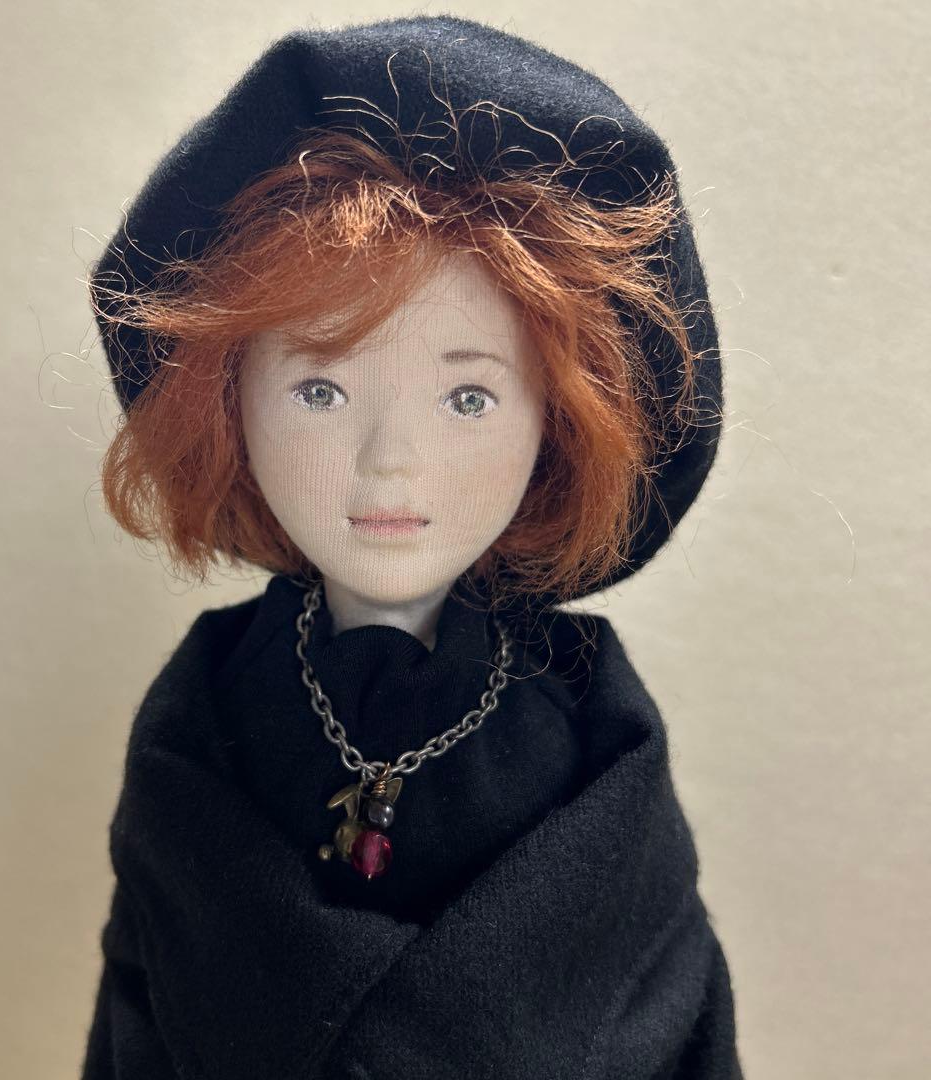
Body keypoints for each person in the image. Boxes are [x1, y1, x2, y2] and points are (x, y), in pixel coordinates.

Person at [79, 15, 741, 1078]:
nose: (390, 465)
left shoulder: (591, 730)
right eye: (320, 390)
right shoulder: (205, 718)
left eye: (469, 398)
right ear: (227, 407)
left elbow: (680, 1032)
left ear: (560, 423)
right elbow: (132, 1039)